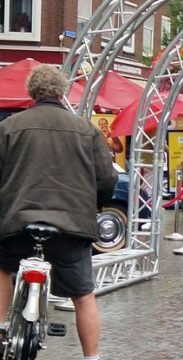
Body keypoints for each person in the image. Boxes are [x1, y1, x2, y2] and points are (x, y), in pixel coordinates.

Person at [0, 65, 118, 360]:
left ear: (31, 93)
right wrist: (99, 203)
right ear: (63, 93)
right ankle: (91, 357)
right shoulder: (85, 130)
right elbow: (106, 178)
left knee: (2, 268)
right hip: (71, 228)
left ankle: (2, 328)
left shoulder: (10, 127)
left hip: (17, 223)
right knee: (83, 295)